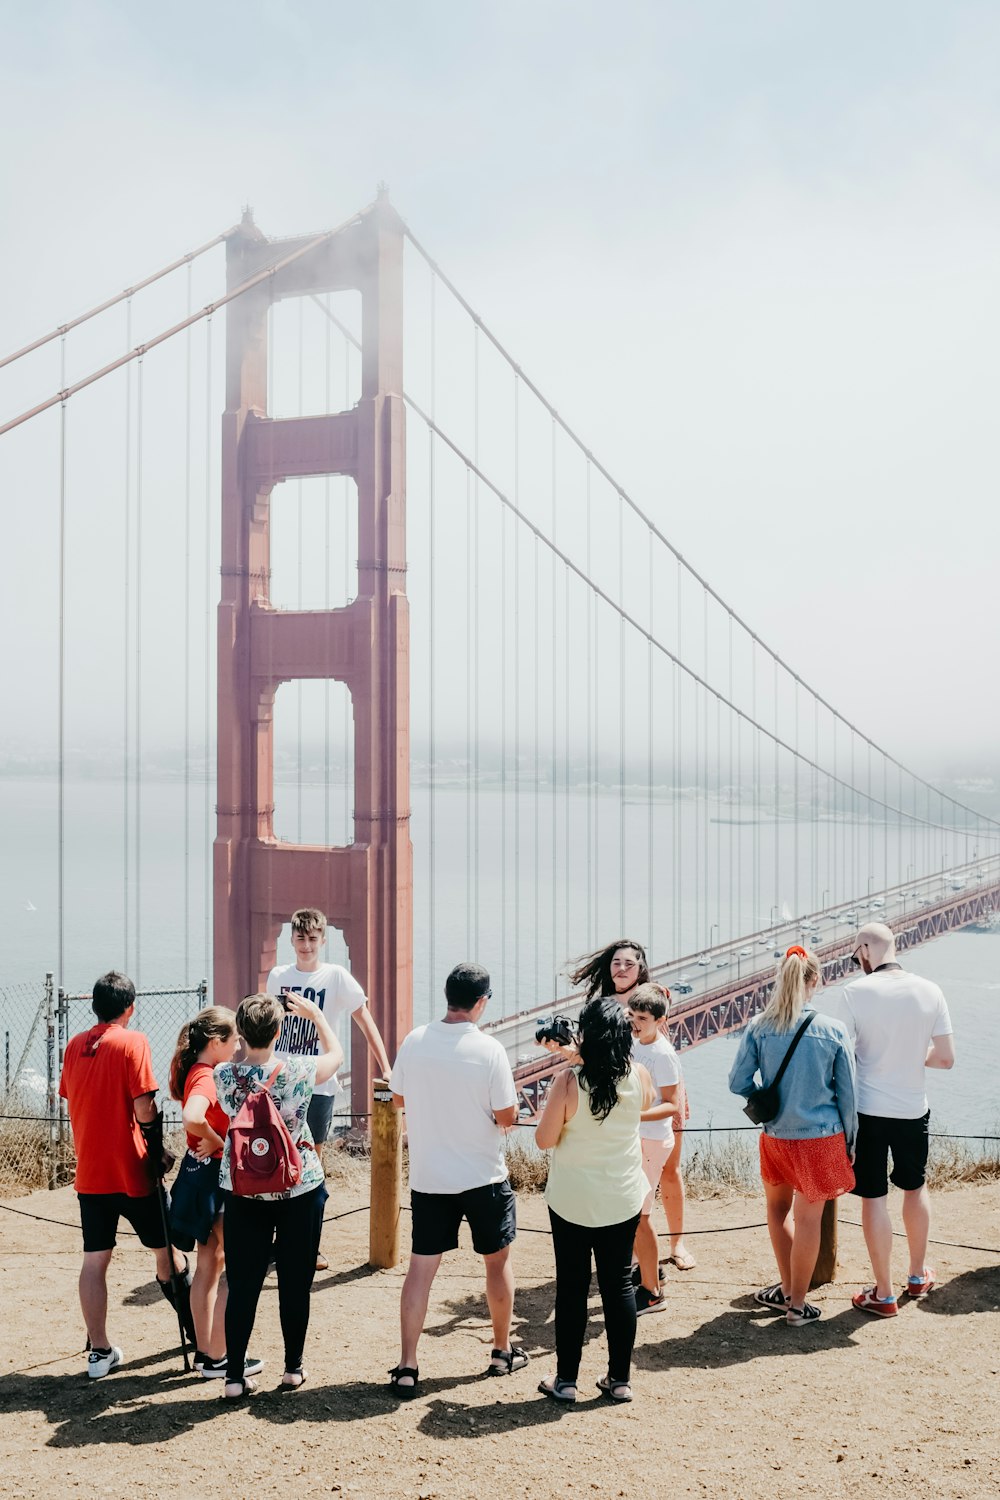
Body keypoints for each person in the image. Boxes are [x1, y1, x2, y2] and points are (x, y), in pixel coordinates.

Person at [389, 962, 527, 1398]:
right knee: (497, 1264)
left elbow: (396, 1098)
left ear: (447, 995)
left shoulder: (415, 1041)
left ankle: (408, 1364)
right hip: (483, 1175)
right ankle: (501, 1351)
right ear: (482, 1002)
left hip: (430, 1178)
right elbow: (507, 1116)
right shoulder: (489, 1050)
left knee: (420, 1271)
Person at [58, 970, 194, 1379]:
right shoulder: (134, 1042)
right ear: (130, 1008)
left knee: (95, 1260)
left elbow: (72, 1099)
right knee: (168, 1255)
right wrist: (157, 1144)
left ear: (94, 1005)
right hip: (133, 1171)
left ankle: (98, 1351)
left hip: (91, 1173)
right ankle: (199, 1335)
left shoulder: (73, 1046)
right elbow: (144, 1108)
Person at [213, 992, 344, 1399]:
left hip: (243, 1188)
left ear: (241, 1032)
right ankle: (292, 1369)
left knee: (242, 1281)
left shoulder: (223, 1075)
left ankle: (234, 1376)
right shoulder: (299, 1070)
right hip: (298, 1185)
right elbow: (336, 1055)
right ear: (278, 1030)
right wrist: (318, 1016)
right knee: (294, 1279)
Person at [728, 946, 857, 1326]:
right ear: (815, 980)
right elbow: (848, 1096)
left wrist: (767, 1100)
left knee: (776, 1210)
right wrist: (850, 1142)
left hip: (776, 1137)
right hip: (820, 1138)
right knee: (809, 1220)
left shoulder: (759, 1026)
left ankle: (786, 1288)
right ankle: (798, 1307)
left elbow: (738, 1082)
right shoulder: (833, 1030)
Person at [831, 922, 954, 1317]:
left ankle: (883, 1294)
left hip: (867, 1111)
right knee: (915, 1189)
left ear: (865, 949)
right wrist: (908, 1056)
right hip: (912, 1109)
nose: (857, 962)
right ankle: (917, 1275)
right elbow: (946, 1058)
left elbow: (842, 1056)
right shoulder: (930, 990)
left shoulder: (854, 992)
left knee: (874, 1198)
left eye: (856, 955)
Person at [535, 998, 653, 1404]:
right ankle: (619, 1380)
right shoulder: (639, 1075)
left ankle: (566, 1381)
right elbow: (644, 1108)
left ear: (587, 1036)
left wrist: (575, 1059)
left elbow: (543, 1139)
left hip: (572, 1199)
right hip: (621, 1197)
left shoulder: (569, 1082)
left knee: (571, 1287)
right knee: (618, 1284)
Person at [267, 907, 391, 1272]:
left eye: (312, 939)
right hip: (281, 1082)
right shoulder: (278, 977)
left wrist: (386, 1068)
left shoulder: (336, 977)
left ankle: (309, 1245)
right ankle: (278, 1243)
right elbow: (268, 1028)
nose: (306, 945)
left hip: (319, 1086)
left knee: (310, 1167)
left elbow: (364, 1020)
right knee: (275, 1161)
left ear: (323, 940)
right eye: (300, 938)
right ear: (291, 940)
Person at [567, 937, 696, 1270]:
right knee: (627, 1175)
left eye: (629, 964)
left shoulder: (653, 998)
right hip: (622, 1098)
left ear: (641, 968)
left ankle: (677, 1243)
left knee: (668, 1170)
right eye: (616, 963)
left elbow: (663, 1045)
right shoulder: (603, 1005)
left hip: (660, 1094)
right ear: (608, 968)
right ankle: (630, 1250)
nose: (622, 969)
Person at [168, 1008, 261, 1380]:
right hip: (216, 1181)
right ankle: (221, 1355)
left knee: (209, 1267)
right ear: (215, 1042)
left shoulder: (193, 1071)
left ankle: (206, 1353)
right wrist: (218, 1140)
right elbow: (193, 1116)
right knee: (236, 1269)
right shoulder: (207, 1078)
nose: (239, 1045)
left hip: (198, 1180)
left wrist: (205, 1139)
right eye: (234, 1039)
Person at [626, 984, 680, 1313]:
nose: (634, 1022)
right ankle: (644, 1272)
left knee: (640, 1216)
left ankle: (652, 1291)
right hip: (637, 1137)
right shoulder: (634, 1043)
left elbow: (673, 1104)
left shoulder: (663, 1055)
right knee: (632, 1213)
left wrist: (635, 1113)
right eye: (631, 1015)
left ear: (660, 1020)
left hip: (652, 1139)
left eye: (642, 1018)